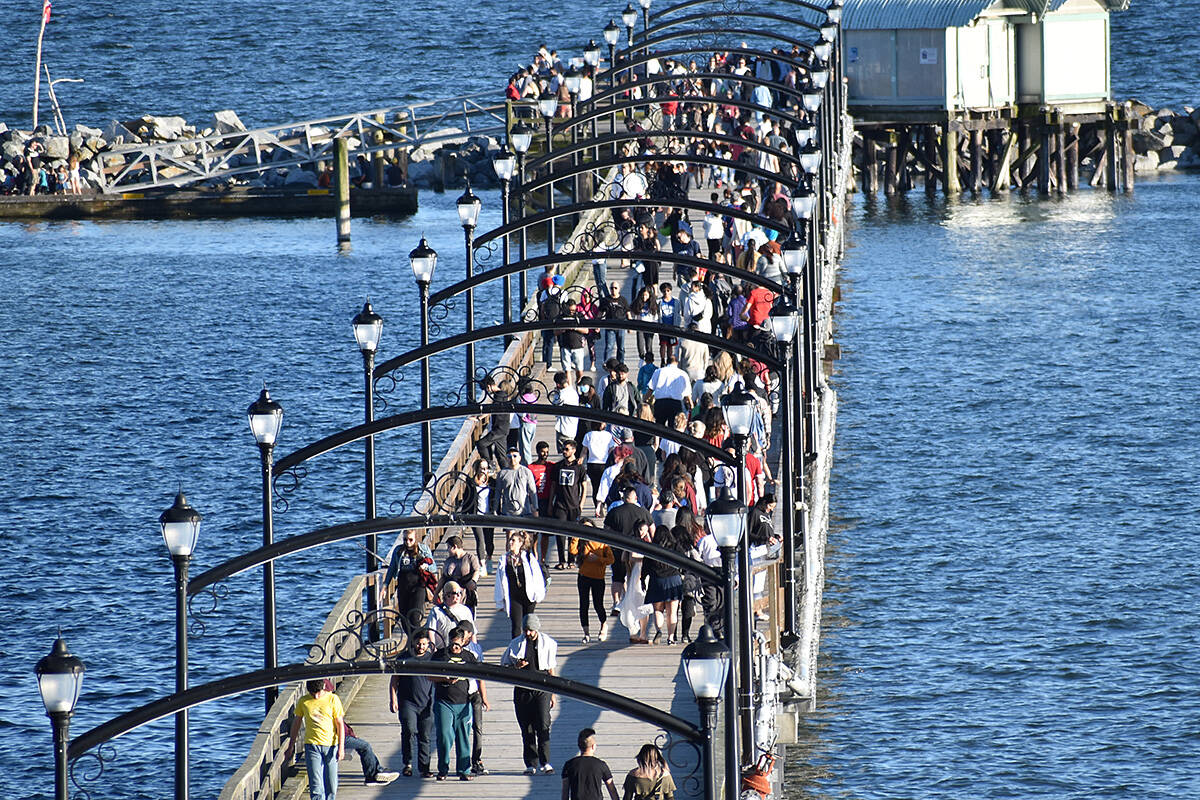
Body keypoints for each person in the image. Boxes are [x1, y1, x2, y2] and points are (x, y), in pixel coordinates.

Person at [501, 613, 559, 775]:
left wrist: (553, 694)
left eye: (531, 630)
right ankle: (530, 763)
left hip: (542, 688)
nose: (528, 633)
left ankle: (545, 762)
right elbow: (505, 667)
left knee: (543, 725)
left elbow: (551, 669)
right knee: (526, 728)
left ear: (537, 629)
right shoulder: (516, 644)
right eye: (525, 630)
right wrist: (517, 666)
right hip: (522, 690)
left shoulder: (547, 643)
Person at [319, 680, 399, 785]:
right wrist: (344, 745)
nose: (331, 693)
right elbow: (339, 726)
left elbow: (342, 724)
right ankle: (372, 775)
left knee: (362, 745)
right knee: (365, 746)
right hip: (336, 738)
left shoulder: (324, 702)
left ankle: (377, 771)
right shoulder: (329, 703)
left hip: (339, 736)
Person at [284, 679, 345, 800]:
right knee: (316, 785)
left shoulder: (333, 699)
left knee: (331, 784)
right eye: (312, 693)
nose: (316, 696)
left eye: (318, 692)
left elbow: (340, 724)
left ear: (323, 688)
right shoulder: (304, 701)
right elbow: (296, 723)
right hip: (312, 745)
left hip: (331, 745)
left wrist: (341, 747)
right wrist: (291, 745)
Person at [432, 626, 478, 781]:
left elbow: (479, 676)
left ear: (464, 641)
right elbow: (429, 676)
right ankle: (443, 769)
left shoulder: (470, 657)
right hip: (444, 701)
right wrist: (445, 679)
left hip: (464, 702)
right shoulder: (439, 656)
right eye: (452, 643)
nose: (455, 647)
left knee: (463, 736)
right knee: (444, 735)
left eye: (458, 643)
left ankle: (464, 769)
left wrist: (483, 697)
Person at [390, 628, 435, 777]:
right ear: (413, 643)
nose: (421, 647)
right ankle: (407, 763)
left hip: (427, 703)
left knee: (425, 735)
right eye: (418, 643)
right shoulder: (404, 658)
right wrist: (393, 699)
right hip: (407, 702)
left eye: (423, 644)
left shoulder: (432, 659)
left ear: (428, 644)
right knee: (409, 730)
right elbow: (394, 680)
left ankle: (424, 767)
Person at [495, 531, 547, 638]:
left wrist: (538, 594)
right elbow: (499, 581)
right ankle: (516, 650)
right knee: (516, 626)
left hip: (528, 596)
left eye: (514, 540)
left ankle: (530, 647)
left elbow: (537, 576)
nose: (511, 543)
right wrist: (499, 601)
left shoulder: (528, 557)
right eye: (510, 540)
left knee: (528, 624)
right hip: (514, 596)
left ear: (520, 543)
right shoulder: (504, 559)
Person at [570, 520, 614, 643]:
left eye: (589, 528)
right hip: (584, 576)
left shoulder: (602, 542)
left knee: (598, 604)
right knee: (584, 604)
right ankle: (586, 633)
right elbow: (572, 551)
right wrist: (576, 536)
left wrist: (598, 559)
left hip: (598, 577)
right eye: (584, 529)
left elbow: (611, 559)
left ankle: (603, 625)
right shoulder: (581, 542)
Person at [458, 620, 491, 776]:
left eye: (464, 632)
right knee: (461, 728)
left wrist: (484, 696)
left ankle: (477, 759)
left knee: (478, 727)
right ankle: (462, 762)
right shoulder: (452, 648)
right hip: (458, 693)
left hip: (473, 692)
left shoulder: (476, 649)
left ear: (470, 634)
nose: (462, 635)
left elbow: (480, 675)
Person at [384, 530, 437, 628]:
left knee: (414, 616)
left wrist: (426, 566)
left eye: (410, 540)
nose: (408, 542)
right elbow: (392, 568)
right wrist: (385, 585)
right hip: (403, 585)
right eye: (405, 540)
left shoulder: (423, 549)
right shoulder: (398, 551)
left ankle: (419, 640)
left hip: (418, 585)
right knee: (404, 620)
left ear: (415, 539)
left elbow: (434, 567)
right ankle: (413, 641)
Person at [562, 727, 621, 800]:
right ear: (593, 746)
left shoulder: (569, 764)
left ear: (579, 746)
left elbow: (565, 792)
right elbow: (612, 789)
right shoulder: (601, 765)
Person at [462, 462, 498, 570]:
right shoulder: (471, 482)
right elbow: (466, 499)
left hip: (489, 515)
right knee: (480, 539)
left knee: (489, 541)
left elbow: (497, 497)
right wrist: (464, 515)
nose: (484, 470)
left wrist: (497, 511)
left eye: (486, 468)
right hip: (476, 515)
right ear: (477, 469)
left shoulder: (492, 482)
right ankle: (482, 564)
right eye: (481, 468)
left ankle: (489, 558)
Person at [439, 536, 482, 610]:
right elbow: (443, 577)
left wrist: (473, 581)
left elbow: (476, 571)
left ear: (454, 547)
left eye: (448, 547)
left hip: (466, 594)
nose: (447, 550)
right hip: (450, 596)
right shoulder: (448, 560)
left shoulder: (470, 558)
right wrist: (436, 593)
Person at [648, 354, 692, 426]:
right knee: (673, 427)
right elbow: (687, 393)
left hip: (660, 403)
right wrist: (691, 404)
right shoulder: (683, 374)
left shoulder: (659, 371)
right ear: (677, 362)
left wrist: (644, 400)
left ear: (667, 362)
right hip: (675, 403)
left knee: (659, 426)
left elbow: (651, 388)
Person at [557, 299, 591, 385]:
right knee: (567, 370)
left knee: (580, 370)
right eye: (570, 310)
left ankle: (578, 382)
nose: (572, 312)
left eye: (573, 310)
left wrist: (575, 328)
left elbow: (586, 330)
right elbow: (555, 332)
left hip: (578, 346)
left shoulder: (580, 316)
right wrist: (564, 329)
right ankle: (570, 387)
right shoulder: (561, 317)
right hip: (565, 346)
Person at [497, 448, 539, 518]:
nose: (512, 458)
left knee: (524, 528)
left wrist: (535, 508)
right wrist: (495, 509)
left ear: (520, 458)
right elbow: (498, 492)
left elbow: (532, 491)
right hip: (508, 512)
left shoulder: (527, 472)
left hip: (524, 511)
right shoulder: (502, 473)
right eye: (509, 457)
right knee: (510, 529)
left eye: (515, 456)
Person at [551, 371, 580, 451]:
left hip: (563, 429)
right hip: (572, 428)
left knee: (564, 452)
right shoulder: (573, 392)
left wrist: (556, 393)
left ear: (558, 384)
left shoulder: (562, 395)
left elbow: (555, 405)